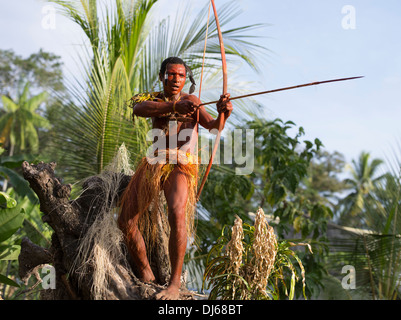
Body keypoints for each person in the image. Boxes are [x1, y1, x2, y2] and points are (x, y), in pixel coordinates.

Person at [118, 56, 232, 300]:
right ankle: (147, 273)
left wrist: (224, 113)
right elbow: (139, 109)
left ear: (185, 78)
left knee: (177, 213)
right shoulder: (153, 99)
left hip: (181, 163)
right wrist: (172, 107)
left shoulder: (192, 101)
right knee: (125, 221)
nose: (175, 79)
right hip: (155, 160)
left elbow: (213, 127)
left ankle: (174, 284)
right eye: (171, 74)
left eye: (181, 75)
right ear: (162, 76)